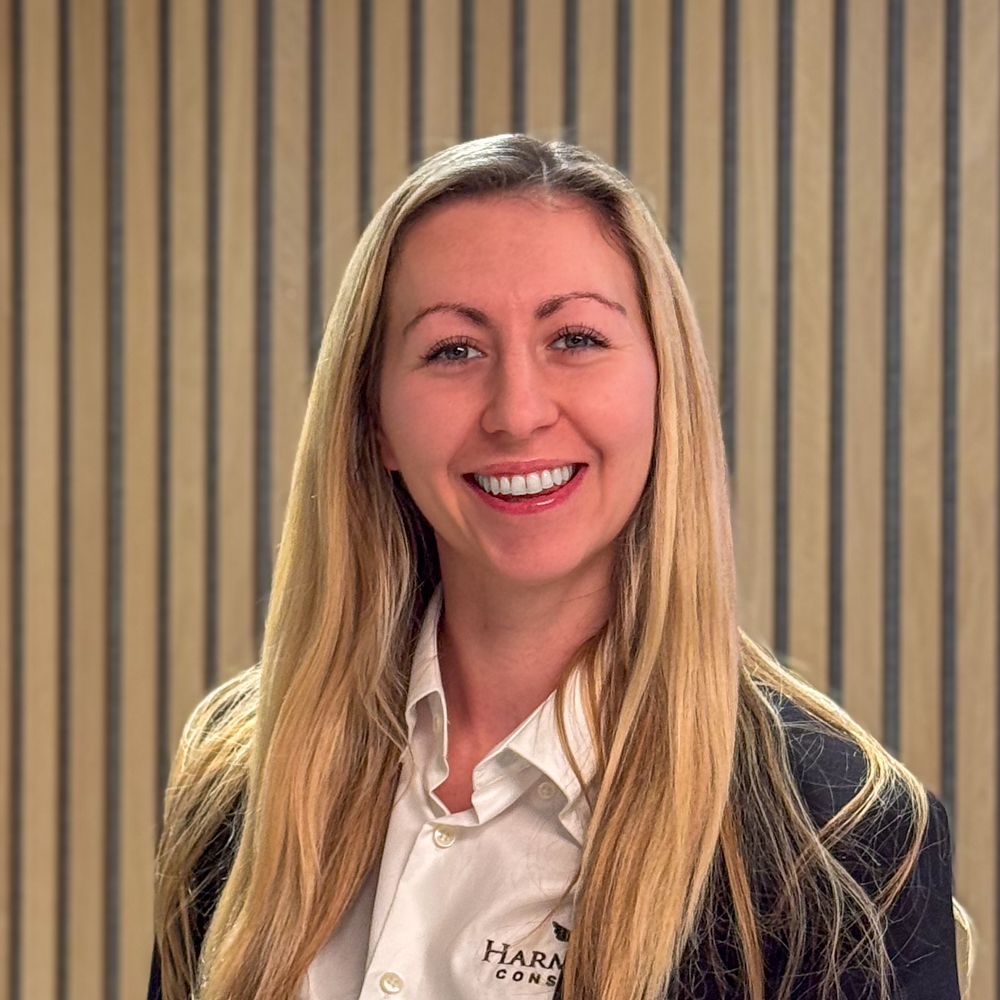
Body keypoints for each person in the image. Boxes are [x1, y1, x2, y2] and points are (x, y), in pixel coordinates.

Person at [148, 134, 972, 1000]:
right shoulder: (243, 778)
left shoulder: (846, 843)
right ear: (375, 420)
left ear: (664, 389)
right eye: (453, 349)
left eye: (575, 338)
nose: (517, 411)